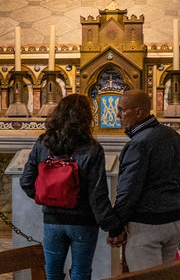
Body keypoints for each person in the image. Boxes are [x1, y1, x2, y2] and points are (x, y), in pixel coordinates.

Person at [20, 94, 121, 280]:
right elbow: (97, 195)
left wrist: (49, 197)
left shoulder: (43, 143)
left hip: (52, 220)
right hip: (83, 222)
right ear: (86, 118)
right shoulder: (92, 148)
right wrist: (113, 227)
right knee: (80, 274)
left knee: (52, 273)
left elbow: (26, 181)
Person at [111, 90, 180, 269]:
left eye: (122, 110)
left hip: (147, 226)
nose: (118, 115)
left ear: (139, 112)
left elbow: (129, 190)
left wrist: (116, 227)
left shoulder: (138, 143)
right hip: (174, 222)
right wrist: (179, 211)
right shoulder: (173, 136)